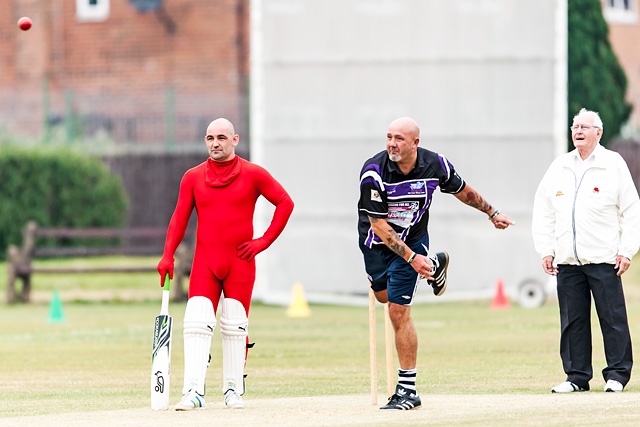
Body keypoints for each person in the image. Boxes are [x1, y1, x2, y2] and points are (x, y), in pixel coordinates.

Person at [358, 117, 514, 410]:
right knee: (383, 298)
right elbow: (378, 225)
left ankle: (407, 391)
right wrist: (414, 259)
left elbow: (463, 190)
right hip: (377, 245)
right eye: (389, 137)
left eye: (399, 138)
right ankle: (434, 265)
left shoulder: (435, 164)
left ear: (415, 143)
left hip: (414, 242)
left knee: (398, 312)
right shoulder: (373, 172)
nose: (392, 143)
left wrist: (492, 212)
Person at [157, 118, 294, 410]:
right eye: (209, 138)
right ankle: (193, 391)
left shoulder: (253, 174)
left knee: (234, 326)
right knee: (195, 323)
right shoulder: (192, 177)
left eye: (221, 137)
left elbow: (285, 203)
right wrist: (167, 255)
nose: (215, 143)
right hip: (205, 262)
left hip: (240, 262)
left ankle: (233, 389)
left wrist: (262, 242)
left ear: (235, 140)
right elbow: (179, 218)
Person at [532, 108, 640, 393]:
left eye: (584, 127)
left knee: (613, 320)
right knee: (572, 322)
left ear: (598, 132)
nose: (578, 131)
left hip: (604, 258)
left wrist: (627, 250)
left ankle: (617, 375)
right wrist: (546, 249)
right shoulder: (560, 166)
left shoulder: (612, 163)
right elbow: (544, 209)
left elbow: (631, 210)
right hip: (567, 259)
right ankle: (576, 377)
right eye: (575, 126)